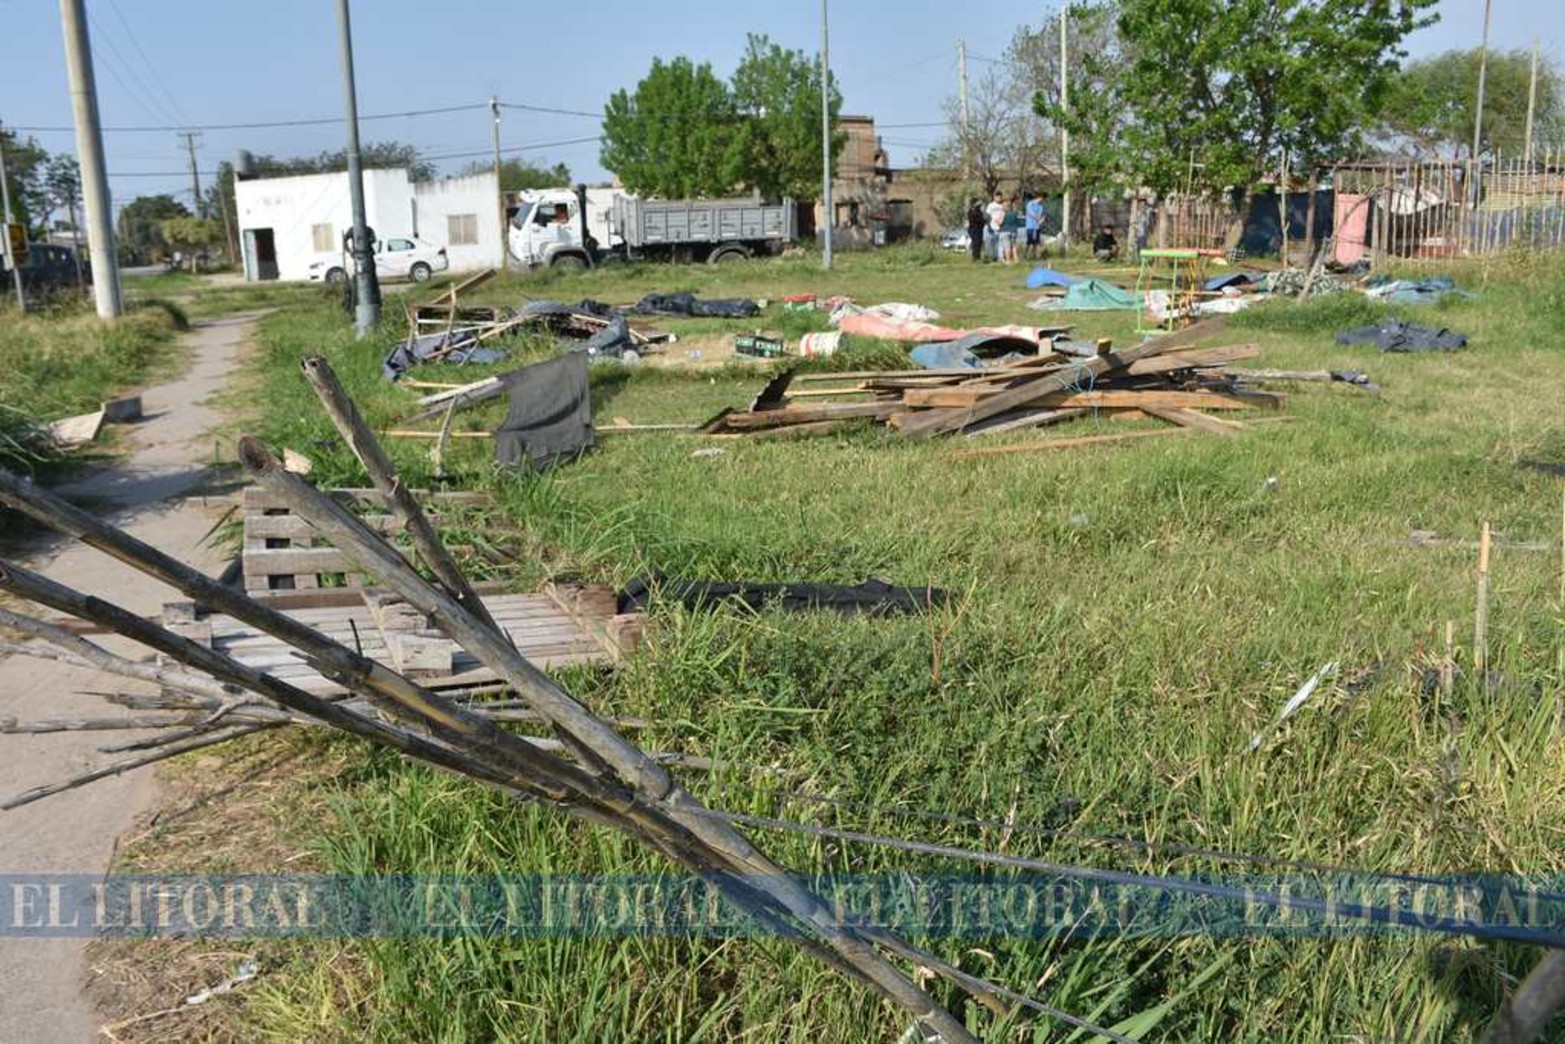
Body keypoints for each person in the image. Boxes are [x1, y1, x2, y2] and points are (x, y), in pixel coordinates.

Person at [984, 191, 1007, 262]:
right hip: (991, 227)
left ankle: (996, 258)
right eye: (997, 197)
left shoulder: (1003, 205)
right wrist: (988, 225)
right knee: (989, 243)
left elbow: (1005, 215)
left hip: (999, 228)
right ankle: (988, 257)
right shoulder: (991, 205)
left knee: (998, 244)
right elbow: (987, 215)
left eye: (1000, 197)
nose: (999, 198)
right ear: (994, 197)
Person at [1001, 195, 1024, 264]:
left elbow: (1001, 222)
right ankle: (1016, 260)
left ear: (1006, 207)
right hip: (1014, 231)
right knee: (1014, 246)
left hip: (1005, 231)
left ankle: (1008, 261)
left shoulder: (1004, 214)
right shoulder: (1014, 213)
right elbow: (1018, 222)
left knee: (1007, 247)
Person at [1024, 193, 1046, 259]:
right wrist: (1038, 218)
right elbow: (1031, 214)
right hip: (1030, 226)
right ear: (1039, 197)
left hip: (1037, 226)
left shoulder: (1040, 206)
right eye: (1042, 198)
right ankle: (1027, 255)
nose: (1042, 200)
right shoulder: (1030, 204)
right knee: (1030, 242)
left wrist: (1041, 219)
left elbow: (1040, 214)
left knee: (1037, 242)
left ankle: (1037, 256)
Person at [965, 198, 986, 263]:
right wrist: (982, 220)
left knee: (979, 243)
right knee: (975, 243)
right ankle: (975, 258)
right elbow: (973, 219)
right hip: (974, 229)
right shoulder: (971, 211)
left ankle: (978, 257)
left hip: (979, 229)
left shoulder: (979, 210)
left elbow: (982, 218)